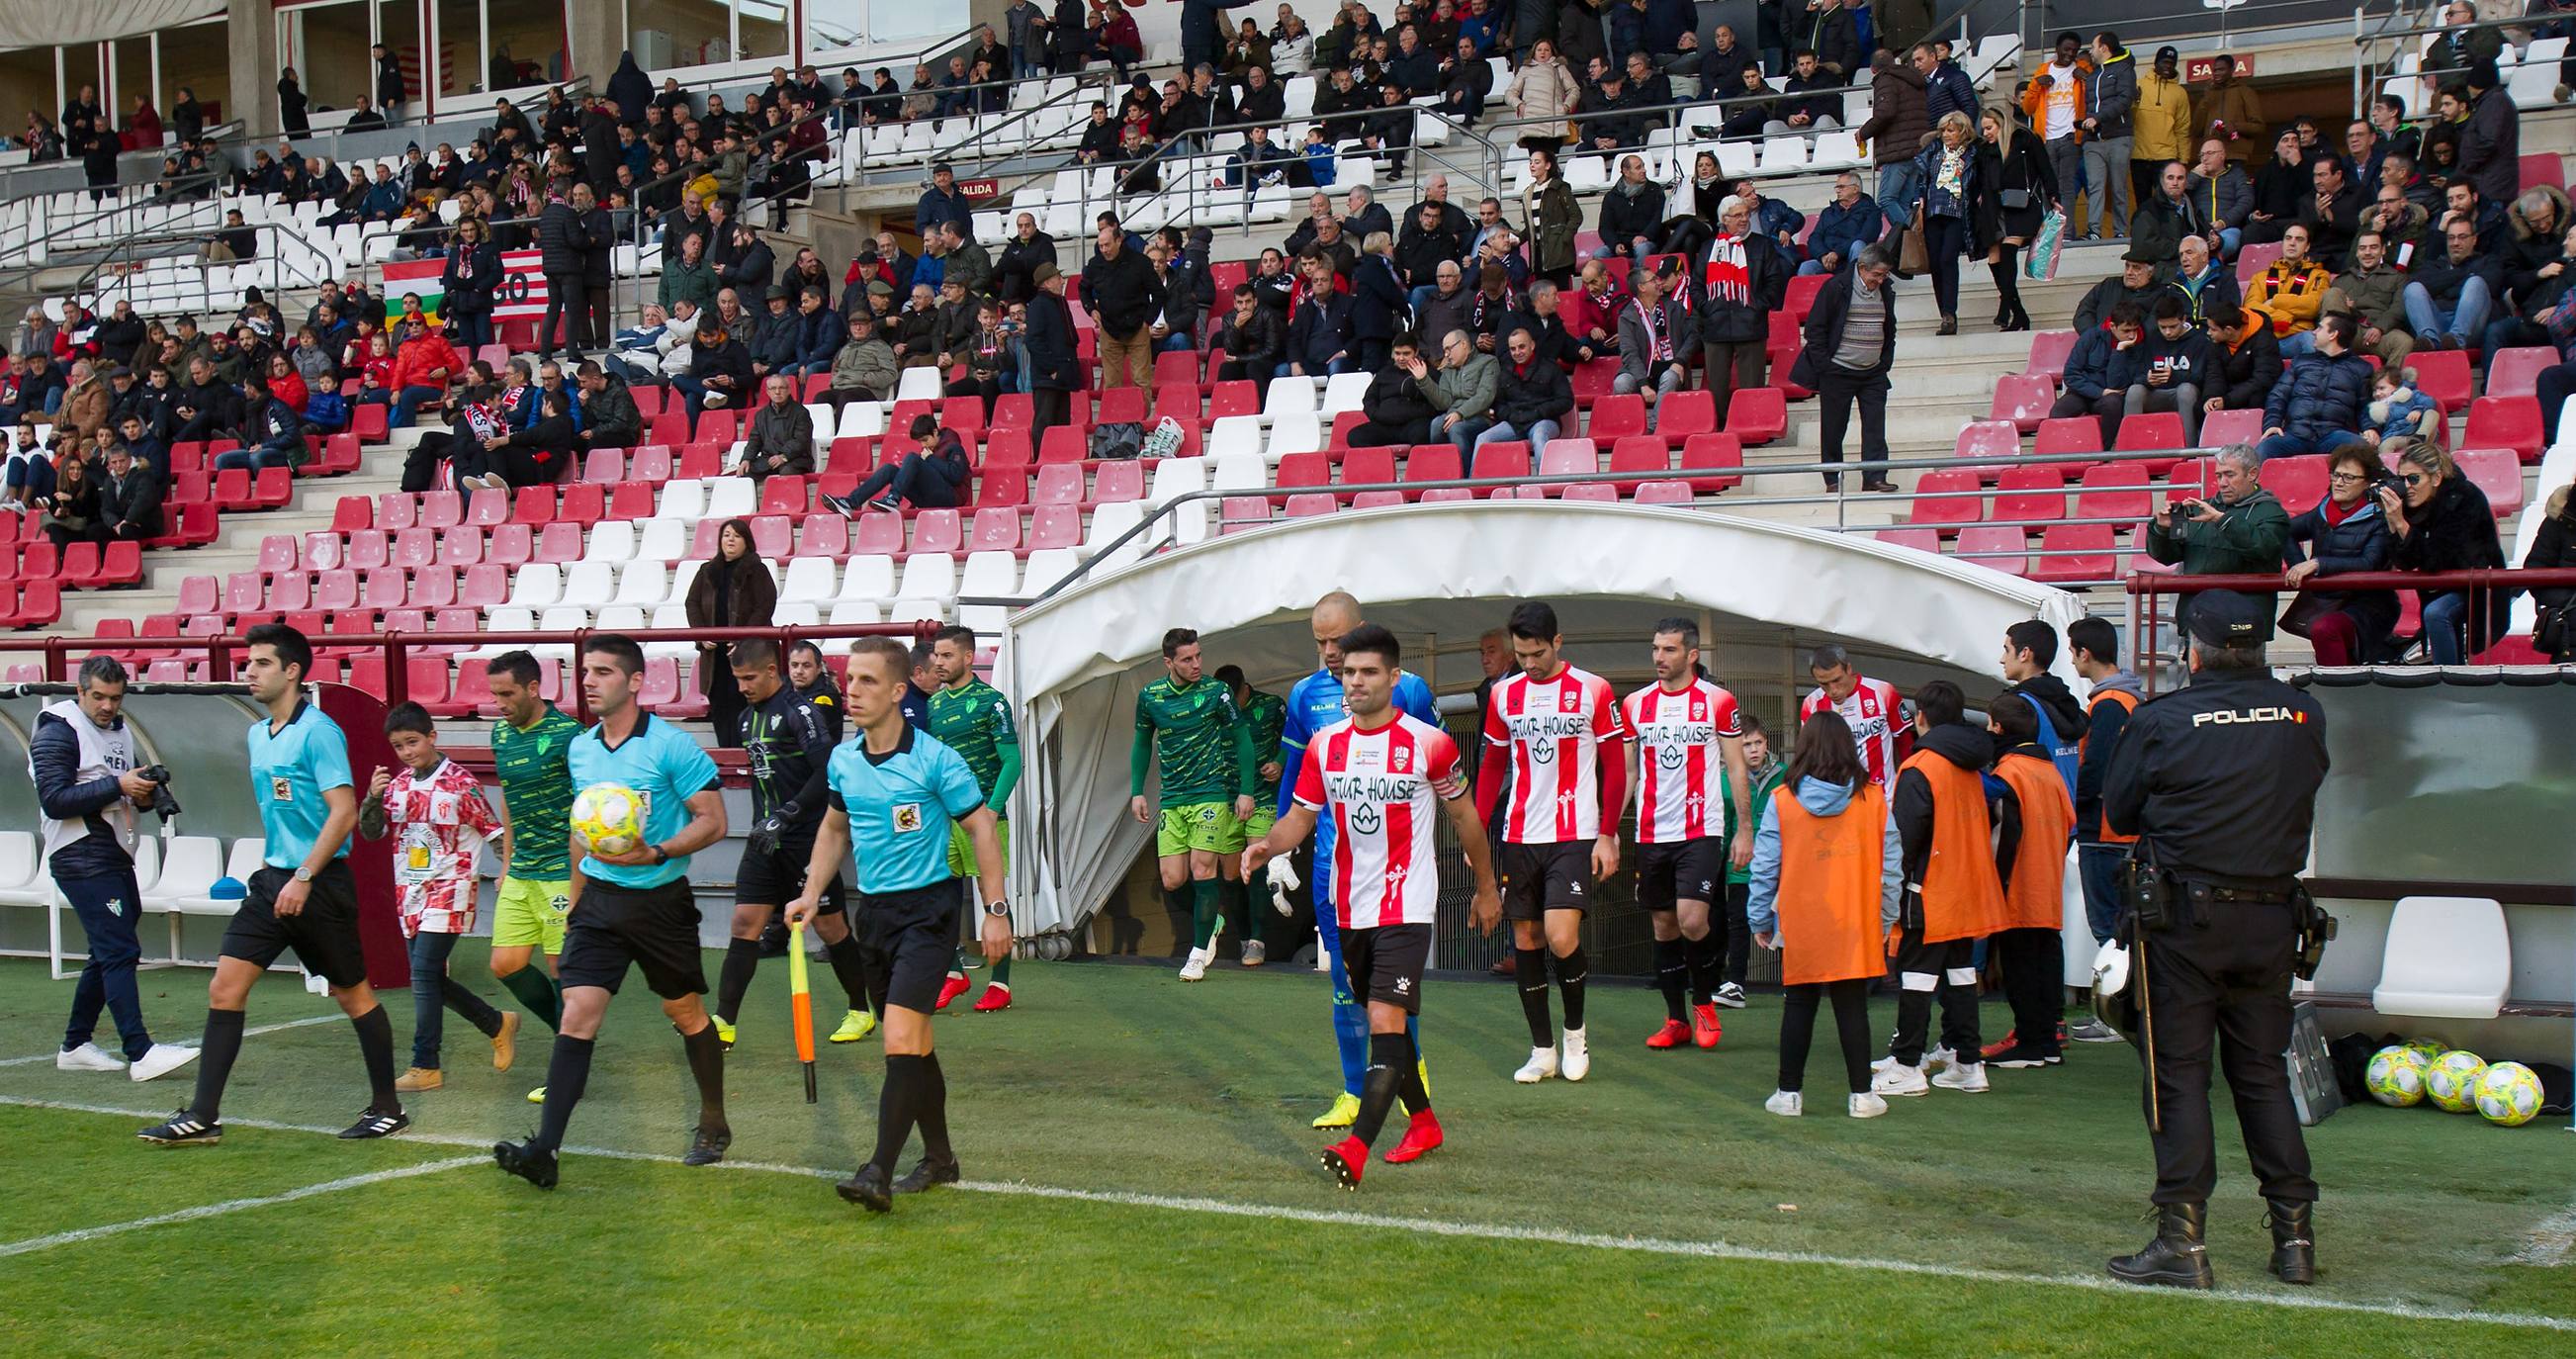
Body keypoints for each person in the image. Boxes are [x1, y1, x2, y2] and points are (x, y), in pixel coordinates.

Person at [2100, 589, 2329, 1290]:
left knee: (2177, 1079)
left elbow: (2118, 809)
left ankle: (2182, 1242)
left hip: (2185, 920)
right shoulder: (2302, 711)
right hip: (2271, 917)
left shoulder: (2164, 716)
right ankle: (2294, 1239)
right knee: (2261, 1077)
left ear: (2190, 650)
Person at [1244, 623, 1495, 1187]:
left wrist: (1486, 888)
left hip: (1407, 903)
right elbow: (1301, 817)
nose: (1355, 681)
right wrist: (1269, 844)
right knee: (1389, 1024)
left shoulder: (1430, 743)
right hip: (1347, 905)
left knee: (1383, 1019)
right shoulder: (1325, 744)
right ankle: (1426, 1123)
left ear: (1394, 677)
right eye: (1348, 672)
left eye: (1368, 672)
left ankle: (1357, 1148)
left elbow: (1465, 818)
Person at [138, 625, 405, 1145]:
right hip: (272, 882)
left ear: (292, 671)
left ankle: (388, 1108)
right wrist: (283, 875)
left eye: (260, 663)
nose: (248, 672)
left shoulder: (320, 731)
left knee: (354, 996)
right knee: (225, 987)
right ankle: (202, 1116)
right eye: (247, 663)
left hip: (320, 885)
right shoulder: (258, 734)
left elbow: (344, 811)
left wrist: (305, 877)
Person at [493, 635, 732, 1189]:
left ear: (634, 681)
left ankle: (713, 1121)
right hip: (599, 901)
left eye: (603, 672)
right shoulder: (582, 748)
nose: (590, 682)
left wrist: (660, 851)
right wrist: (577, 902)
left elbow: (714, 820)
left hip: (659, 904)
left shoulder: (672, 747)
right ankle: (545, 1152)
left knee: (686, 1013)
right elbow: (584, 831)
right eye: (586, 673)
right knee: (577, 1014)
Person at [787, 637, 1009, 1211]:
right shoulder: (844, 760)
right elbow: (834, 829)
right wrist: (812, 893)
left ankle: (876, 1170)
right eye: (848, 681)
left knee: (898, 1041)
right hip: (875, 915)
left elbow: (981, 828)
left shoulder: (935, 759)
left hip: (930, 913)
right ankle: (940, 1159)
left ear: (897, 690)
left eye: (865, 681)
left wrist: (994, 910)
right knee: (916, 1045)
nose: (851, 692)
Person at [1274, 593, 1443, 1127]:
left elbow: (1433, 772)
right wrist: (1280, 851)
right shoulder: (1304, 695)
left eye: (1337, 640)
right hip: (1333, 867)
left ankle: (1409, 1072)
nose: (1328, 652)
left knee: (1393, 990)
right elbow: (1298, 781)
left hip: (1395, 868)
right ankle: (1351, 1091)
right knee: (1346, 983)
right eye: (1320, 642)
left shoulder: (1407, 689)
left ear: (1361, 629)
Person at [1476, 600, 1629, 1085]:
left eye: (1537, 652)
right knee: (1526, 938)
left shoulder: (1593, 690)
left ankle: (1575, 1033)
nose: (1529, 662)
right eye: (1521, 654)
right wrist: (1476, 832)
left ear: (1557, 643)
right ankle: (1542, 1049)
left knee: (1562, 937)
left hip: (1574, 833)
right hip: (1519, 833)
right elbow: (1492, 767)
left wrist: (1607, 832)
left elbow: (1616, 767)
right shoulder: (1504, 696)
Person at [710, 640, 881, 1050]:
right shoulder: (747, 717)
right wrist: (766, 821)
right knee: (744, 924)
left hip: (805, 838)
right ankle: (724, 1023)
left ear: (773, 671)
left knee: (830, 926)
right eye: (737, 679)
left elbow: (827, 771)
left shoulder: (800, 711)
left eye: (749, 678)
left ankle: (861, 1010)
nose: (743, 686)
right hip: (763, 838)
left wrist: (787, 813)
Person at [34, 657, 197, 1082]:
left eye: (115, 697)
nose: (107, 706)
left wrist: (142, 792)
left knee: (108, 949)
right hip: (79, 854)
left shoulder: (118, 729)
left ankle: (75, 1044)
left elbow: (117, 785)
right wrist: (119, 785)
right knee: (120, 950)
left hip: (112, 851)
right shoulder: (57, 729)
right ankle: (139, 1052)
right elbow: (54, 799)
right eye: (99, 697)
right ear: (80, 691)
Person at [1748, 708, 1902, 1120]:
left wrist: (1760, 919)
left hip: (1801, 921)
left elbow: (1764, 867)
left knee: (1799, 1004)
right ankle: (1862, 1096)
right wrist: (1885, 920)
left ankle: (1789, 1093)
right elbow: (1891, 869)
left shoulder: (1783, 801)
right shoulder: (1873, 800)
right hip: (1855, 919)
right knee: (1852, 1007)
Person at [360, 703, 514, 1093]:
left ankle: (425, 1064)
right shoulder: (396, 785)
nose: (407, 752)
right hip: (409, 891)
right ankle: (496, 1022)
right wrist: (372, 799)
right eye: (398, 746)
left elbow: (494, 833)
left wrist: (510, 874)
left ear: (432, 736)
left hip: (452, 887)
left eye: (412, 742)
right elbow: (372, 833)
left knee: (424, 974)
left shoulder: (461, 785)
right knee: (428, 978)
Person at [1867, 680, 2010, 1100]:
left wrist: (1891, 887)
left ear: (1921, 717)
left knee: (1915, 976)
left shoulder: (1921, 767)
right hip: (1965, 886)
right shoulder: (1969, 766)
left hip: (1928, 888)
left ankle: (1909, 1065)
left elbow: (1905, 839)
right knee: (1960, 975)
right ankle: (1967, 1062)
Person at [1620, 619, 1752, 1050]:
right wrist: (1607, 829)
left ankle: (1704, 1003)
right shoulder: (1635, 704)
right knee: (1663, 924)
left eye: (1670, 650)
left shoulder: (1718, 701)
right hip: (1652, 830)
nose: (1660, 657)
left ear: (1692, 655)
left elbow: (1735, 767)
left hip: (1702, 828)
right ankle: (1675, 1018)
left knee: (1693, 920)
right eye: (1656, 649)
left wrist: (1744, 829)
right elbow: (1628, 771)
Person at [1131, 628, 1258, 982]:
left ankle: (1198, 954)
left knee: (1204, 871)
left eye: (1199, 656)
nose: (1196, 664)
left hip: (1211, 794)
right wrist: (1137, 791)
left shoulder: (1217, 693)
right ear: (1168, 662)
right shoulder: (1151, 696)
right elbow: (1142, 743)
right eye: (1187, 659)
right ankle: (1212, 920)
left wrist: (1245, 790)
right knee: (1173, 881)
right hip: (1172, 798)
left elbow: (1242, 738)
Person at [480, 653, 579, 1097]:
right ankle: (573, 1040)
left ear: (534, 688)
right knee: (506, 965)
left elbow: (585, 809)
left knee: (562, 971)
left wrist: (581, 880)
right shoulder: (500, 734)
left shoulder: (568, 736)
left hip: (561, 867)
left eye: (507, 694)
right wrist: (505, 862)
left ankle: (567, 1068)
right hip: (522, 869)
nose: (499, 703)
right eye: (494, 694)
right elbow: (509, 797)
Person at [925, 626, 1024, 1011]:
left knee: (991, 896)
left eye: (947, 656)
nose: (939, 662)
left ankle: (1000, 985)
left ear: (968, 657)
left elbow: (1012, 762)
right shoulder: (935, 705)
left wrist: (993, 808)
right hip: (944, 818)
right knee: (936, 895)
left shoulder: (991, 702)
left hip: (982, 815)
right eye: (936, 656)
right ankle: (954, 974)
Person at [1980, 694, 2077, 1071]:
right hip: (2048, 884)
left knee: (2021, 967)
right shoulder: (2049, 771)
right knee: (2044, 962)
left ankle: (2030, 1041)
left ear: (1999, 728)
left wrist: (1994, 882)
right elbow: (2069, 820)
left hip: (2018, 885)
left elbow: (2003, 833)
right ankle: (2046, 1039)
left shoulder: (2010, 772)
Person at [2067, 617, 2143, 1027]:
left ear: (2085, 653)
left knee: (2110, 929)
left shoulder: (2109, 703)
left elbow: (2096, 767)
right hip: (2121, 825)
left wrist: (2079, 809)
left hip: (2106, 829)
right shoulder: (2126, 699)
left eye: (2073, 650)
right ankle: (2126, 1011)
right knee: (2121, 926)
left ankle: (2117, 1014)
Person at [2146, 443, 2290, 648]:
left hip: (2244, 625)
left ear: (2252, 474)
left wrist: (2222, 520)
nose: (2222, 483)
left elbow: (2263, 548)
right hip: (2199, 621)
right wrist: (2161, 529)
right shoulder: (2199, 509)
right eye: (2219, 476)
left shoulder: (2271, 512)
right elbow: (2166, 556)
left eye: (2230, 475)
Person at [2382, 440, 2506, 665]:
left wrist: (2402, 524)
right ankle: (2450, 677)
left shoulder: (2464, 498)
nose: (2407, 487)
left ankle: (2448, 682)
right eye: (2402, 479)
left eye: (2414, 479)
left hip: (2474, 587)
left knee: (2436, 613)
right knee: (2435, 612)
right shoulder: (2411, 504)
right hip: (2438, 587)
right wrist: (2394, 525)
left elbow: (2437, 559)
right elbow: (2405, 563)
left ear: (2436, 478)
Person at [2280, 444, 2399, 666]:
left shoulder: (2380, 516)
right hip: (2328, 600)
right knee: (2327, 632)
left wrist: (2317, 564)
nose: (2339, 482)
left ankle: (2340, 691)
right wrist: (2301, 571)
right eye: (2336, 474)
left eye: (2349, 477)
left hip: (2369, 604)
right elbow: (2284, 530)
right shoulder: (2324, 509)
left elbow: (2369, 562)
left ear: (2367, 482)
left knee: (2326, 629)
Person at [1794, 246, 1898, 492]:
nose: (1881, 280)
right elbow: (1815, 330)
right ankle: (1833, 479)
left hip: (1873, 372)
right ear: (1862, 268)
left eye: (1884, 275)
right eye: (1877, 274)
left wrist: (1884, 362)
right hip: (1838, 371)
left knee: (1875, 426)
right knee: (1833, 428)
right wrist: (1826, 367)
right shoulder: (1835, 287)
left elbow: (1889, 329)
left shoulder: (1885, 289)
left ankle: (1874, 477)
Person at [683, 519, 779, 747]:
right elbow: (692, 603)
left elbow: (765, 606)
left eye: (736, 536)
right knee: (720, 705)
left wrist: (742, 640)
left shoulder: (757, 570)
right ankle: (727, 757)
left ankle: (747, 758)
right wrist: (701, 634)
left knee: (745, 704)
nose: (730, 540)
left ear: (747, 541)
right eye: (726, 535)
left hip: (748, 655)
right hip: (715, 654)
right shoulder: (707, 570)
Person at [1696, 195, 1786, 419]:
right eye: (1738, 215)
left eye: (1746, 214)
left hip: (1751, 325)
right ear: (1724, 219)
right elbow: (1696, 284)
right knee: (1716, 388)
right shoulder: (1709, 248)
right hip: (1715, 326)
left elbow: (1775, 281)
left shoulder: (1762, 245)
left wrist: (1758, 305)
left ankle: (1753, 426)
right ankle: (1722, 431)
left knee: (1752, 387)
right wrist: (1706, 307)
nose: (1744, 219)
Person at [1800, 642, 1910, 799]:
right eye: (1824, 684)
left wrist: (1907, 786)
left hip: (1883, 798)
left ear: (1849, 669)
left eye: (1837, 680)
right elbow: (1809, 755)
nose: (1833, 690)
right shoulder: (1811, 704)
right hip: (1838, 803)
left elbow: (1904, 742)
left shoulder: (1882, 691)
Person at [2256, 315, 2373, 460]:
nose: (2314, 332)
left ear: (2333, 334)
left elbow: (2365, 405)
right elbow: (2278, 396)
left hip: (2334, 436)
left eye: (2320, 328)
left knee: (2362, 448)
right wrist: (2272, 424)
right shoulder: (2301, 362)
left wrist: (2370, 428)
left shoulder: (2361, 368)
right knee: (2266, 447)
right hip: (2296, 434)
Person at [2401, 217, 2500, 352]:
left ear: (2474, 239)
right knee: (2413, 288)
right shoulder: (2435, 265)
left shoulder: (2488, 262)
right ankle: (2430, 340)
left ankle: (2456, 339)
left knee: (2476, 282)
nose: (2455, 243)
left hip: (2472, 327)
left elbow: (2493, 286)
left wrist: (2442, 286)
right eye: (2451, 238)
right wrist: (2464, 274)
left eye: (2462, 237)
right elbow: (2418, 283)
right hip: (2437, 323)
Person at [1477, 326, 1573, 451]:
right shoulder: (1505, 371)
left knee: (1539, 437)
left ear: (1532, 345)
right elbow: (1498, 404)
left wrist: (1540, 411)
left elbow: (1566, 400)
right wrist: (1510, 415)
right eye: (1513, 349)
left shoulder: (1550, 368)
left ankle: (1544, 471)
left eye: (1521, 346)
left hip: (1544, 421)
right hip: (1514, 424)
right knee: (1482, 439)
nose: (1517, 352)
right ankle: (1476, 472)